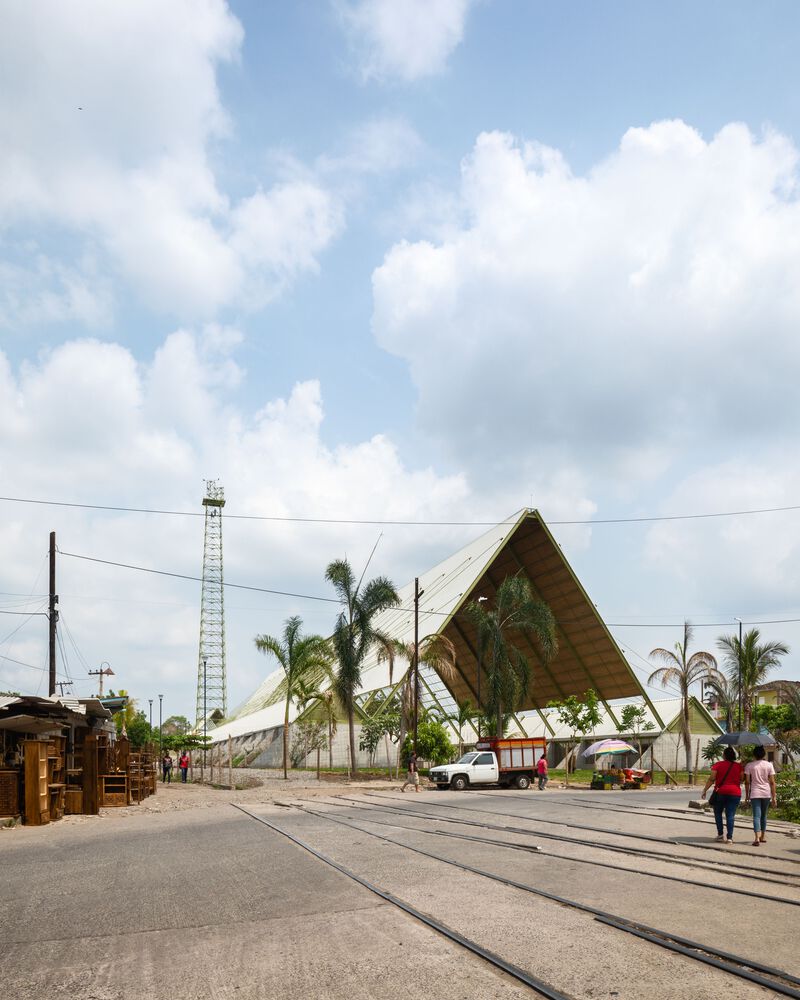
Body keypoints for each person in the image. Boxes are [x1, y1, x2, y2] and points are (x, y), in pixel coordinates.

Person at [701, 746, 744, 844]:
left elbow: (712, 779)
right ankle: (729, 838)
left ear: (724, 755)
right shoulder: (739, 766)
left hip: (721, 792)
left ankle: (720, 835)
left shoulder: (718, 765)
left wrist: (704, 790)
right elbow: (742, 779)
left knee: (718, 813)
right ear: (733, 756)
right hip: (735, 793)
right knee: (730, 815)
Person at [744, 746, 777, 846]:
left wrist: (747, 796)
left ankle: (756, 838)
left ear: (754, 755)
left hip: (755, 793)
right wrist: (774, 797)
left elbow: (747, 782)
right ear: (764, 755)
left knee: (756, 816)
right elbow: (772, 782)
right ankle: (762, 836)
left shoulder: (749, 765)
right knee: (764, 815)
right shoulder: (769, 765)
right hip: (766, 793)